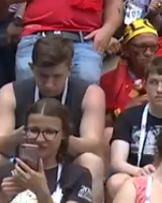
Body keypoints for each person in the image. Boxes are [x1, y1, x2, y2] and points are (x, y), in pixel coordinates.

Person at [0, 35, 105, 203]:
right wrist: (18, 136)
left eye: (57, 76)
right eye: (43, 76)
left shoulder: (90, 93)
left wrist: (53, 137)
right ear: (31, 68)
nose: (49, 84)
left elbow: (93, 144)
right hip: (22, 160)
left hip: (68, 162)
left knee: (92, 161)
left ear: (70, 69)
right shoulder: (10, 92)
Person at [106, 56, 162, 201]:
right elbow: (117, 162)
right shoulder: (128, 116)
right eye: (154, 82)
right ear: (145, 85)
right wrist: (138, 171)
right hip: (138, 177)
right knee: (116, 181)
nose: (159, 89)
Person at [100, 20, 162, 121]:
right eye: (141, 47)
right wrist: (126, 109)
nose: (148, 53)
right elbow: (101, 121)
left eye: (153, 47)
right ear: (125, 49)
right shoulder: (109, 81)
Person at [0, 99, 94, 203]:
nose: (40, 139)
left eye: (49, 132)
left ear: (64, 134)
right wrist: (3, 198)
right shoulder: (4, 173)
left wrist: (40, 190)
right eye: (34, 130)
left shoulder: (78, 176)